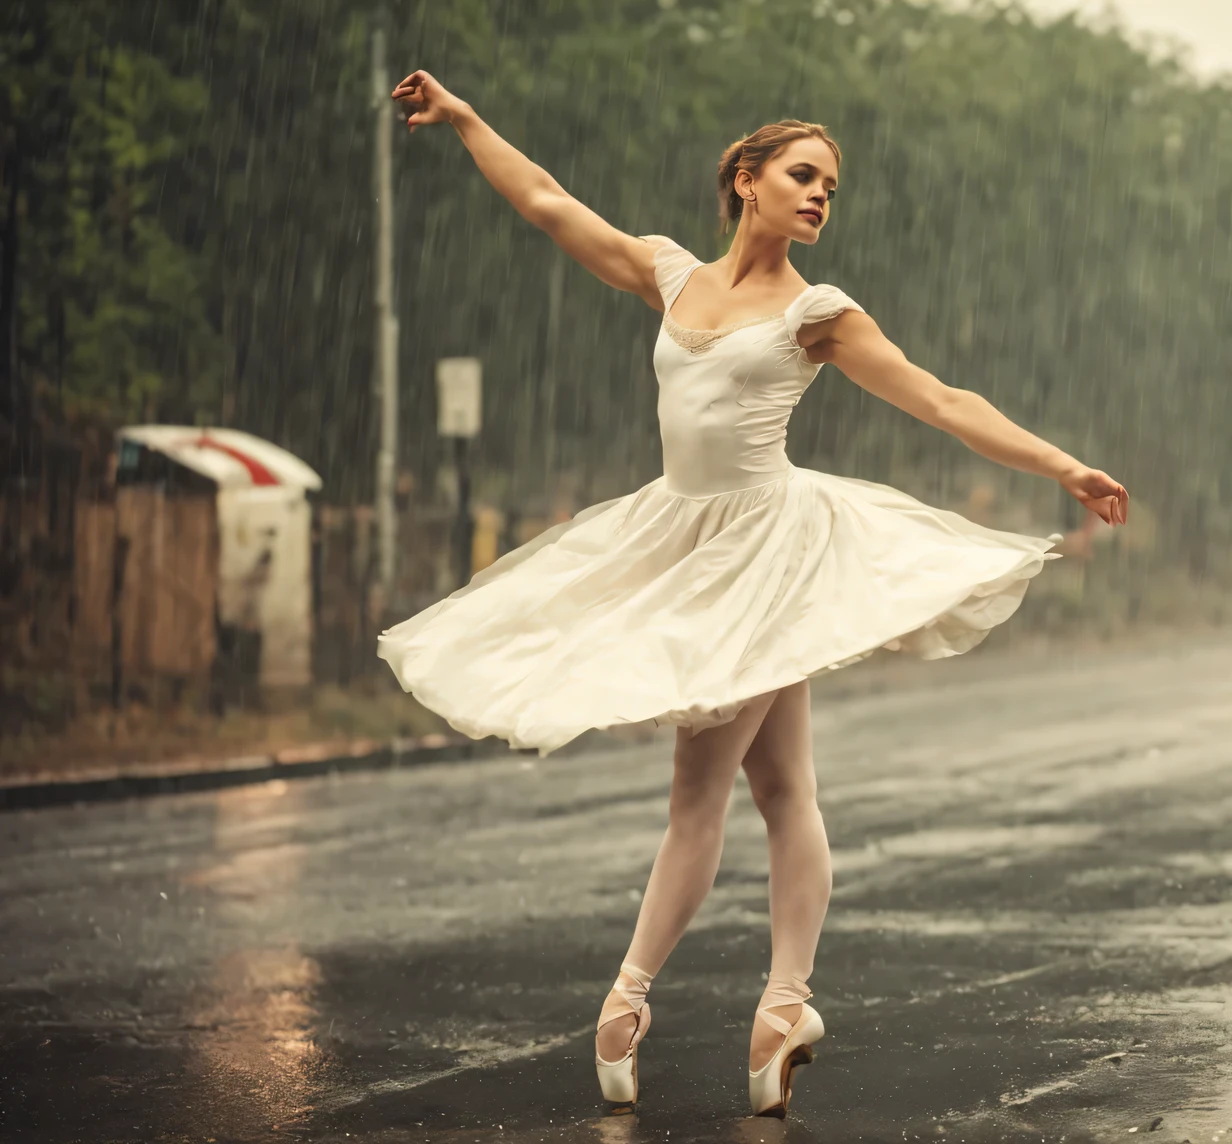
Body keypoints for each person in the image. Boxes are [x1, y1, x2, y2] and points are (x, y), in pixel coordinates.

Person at [381, 69, 1128, 1120]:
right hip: (683, 539)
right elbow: (548, 203)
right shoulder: (672, 274)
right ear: (747, 179)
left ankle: (647, 1003)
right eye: (802, 174)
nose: (821, 194)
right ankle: (763, 1009)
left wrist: (1061, 467)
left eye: (830, 183)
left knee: (713, 797)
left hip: (766, 554)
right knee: (779, 794)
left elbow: (938, 397)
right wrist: (462, 121)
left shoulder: (816, 314)